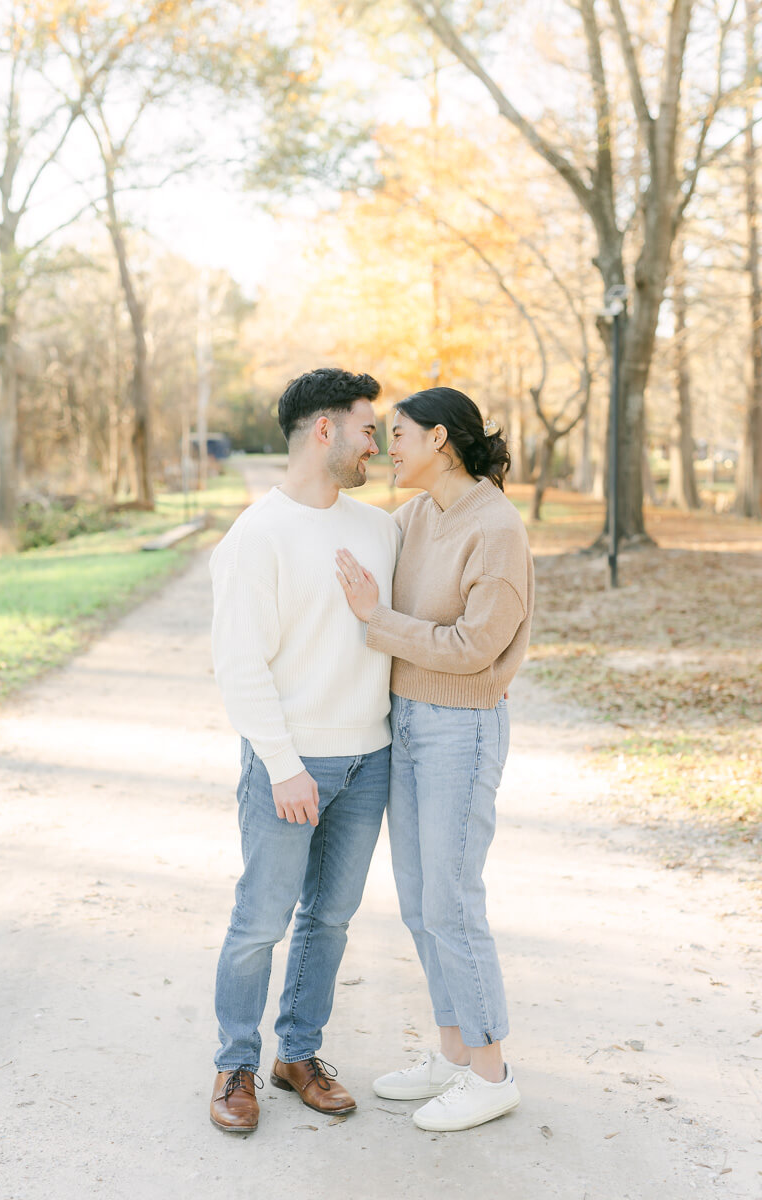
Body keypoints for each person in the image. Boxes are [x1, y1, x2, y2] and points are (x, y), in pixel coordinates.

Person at [335, 386, 534, 1133]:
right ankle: (453, 1055)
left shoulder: (497, 526)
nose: (387, 446)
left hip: (463, 726)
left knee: (453, 901)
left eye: (399, 433)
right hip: (408, 721)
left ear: (441, 438)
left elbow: (476, 647)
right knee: (421, 902)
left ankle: (492, 1072)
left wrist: (377, 623)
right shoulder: (413, 517)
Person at [208, 367, 399, 1134]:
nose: (376, 443)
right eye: (366, 427)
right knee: (261, 920)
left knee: (331, 918)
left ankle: (299, 1054)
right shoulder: (257, 535)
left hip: (369, 760)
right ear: (325, 430)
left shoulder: (380, 526)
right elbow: (239, 664)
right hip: (291, 764)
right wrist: (283, 765)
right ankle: (234, 1066)